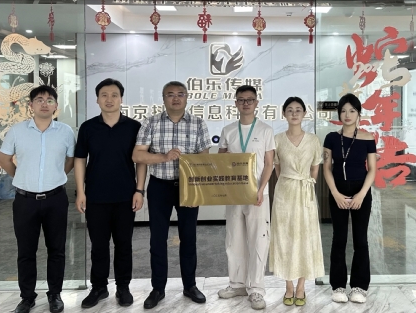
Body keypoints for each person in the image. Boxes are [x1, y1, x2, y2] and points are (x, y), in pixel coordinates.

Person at [132, 81, 212, 309]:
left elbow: (204, 158)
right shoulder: (151, 122)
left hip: (189, 187)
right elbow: (138, 156)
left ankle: (190, 286)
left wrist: (197, 182)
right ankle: (158, 288)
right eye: (170, 95)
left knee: (189, 238)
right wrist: (164, 157)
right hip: (160, 186)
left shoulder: (198, 123)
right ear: (163, 98)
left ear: (187, 97)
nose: (176, 98)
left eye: (180, 94)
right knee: (157, 240)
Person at [0, 85, 76, 313]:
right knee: (26, 251)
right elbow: (4, 159)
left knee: (57, 250)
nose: (45, 103)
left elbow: (71, 161)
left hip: (55, 199)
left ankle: (55, 295)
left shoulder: (65, 132)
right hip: (25, 200)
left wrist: (56, 176)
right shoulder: (17, 131)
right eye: (39, 99)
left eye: (50, 100)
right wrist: (21, 177)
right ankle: (27, 297)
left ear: (56, 106)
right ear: (30, 105)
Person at [74, 79, 147, 308]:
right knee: (98, 245)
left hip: (126, 196)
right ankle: (99, 287)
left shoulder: (134, 127)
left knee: (124, 244)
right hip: (95, 196)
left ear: (121, 99)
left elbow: (141, 161)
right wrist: (80, 191)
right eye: (104, 95)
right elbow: (80, 159)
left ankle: (123, 287)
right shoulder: (88, 127)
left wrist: (139, 190)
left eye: (114, 95)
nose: (109, 99)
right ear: (97, 99)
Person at [216, 85, 275, 310]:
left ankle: (257, 289)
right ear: (236, 103)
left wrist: (261, 189)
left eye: (250, 99)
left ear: (256, 103)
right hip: (234, 193)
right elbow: (221, 160)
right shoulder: (228, 130)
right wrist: (227, 157)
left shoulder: (265, 130)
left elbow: (269, 164)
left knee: (258, 240)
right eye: (241, 100)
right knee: (234, 240)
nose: (246, 103)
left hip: (258, 194)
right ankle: (237, 284)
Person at [269, 97, 324, 307]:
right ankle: (288, 285)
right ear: (284, 113)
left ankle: (301, 286)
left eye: (298, 110)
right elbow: (277, 168)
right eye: (290, 110)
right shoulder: (277, 139)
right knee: (285, 236)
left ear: (304, 114)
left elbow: (315, 167)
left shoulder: (313, 140)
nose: (294, 113)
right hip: (284, 192)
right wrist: (290, 182)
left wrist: (306, 183)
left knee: (305, 237)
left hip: (305, 192)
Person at [322, 93, 377, 304]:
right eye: (343, 111)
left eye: (352, 110)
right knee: (339, 239)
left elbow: (372, 169)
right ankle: (338, 286)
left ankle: (359, 287)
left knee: (360, 240)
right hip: (338, 192)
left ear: (358, 114)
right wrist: (335, 193)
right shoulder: (331, 138)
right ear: (339, 114)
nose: (347, 114)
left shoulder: (368, 138)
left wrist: (361, 194)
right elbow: (327, 168)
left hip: (361, 192)